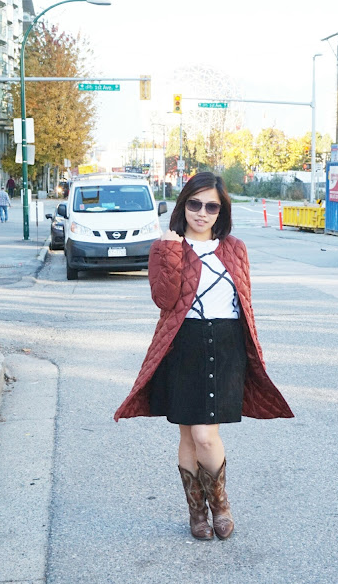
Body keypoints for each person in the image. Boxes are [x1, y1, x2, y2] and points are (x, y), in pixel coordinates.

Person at [114, 172, 293, 541]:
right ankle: (197, 512)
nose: (202, 212)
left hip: (226, 346)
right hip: (183, 346)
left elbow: (244, 304)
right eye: (195, 204)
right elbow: (164, 299)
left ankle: (220, 505)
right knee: (188, 434)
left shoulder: (235, 248)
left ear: (221, 211)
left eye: (212, 206)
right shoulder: (166, 247)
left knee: (205, 436)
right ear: (183, 205)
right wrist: (169, 250)